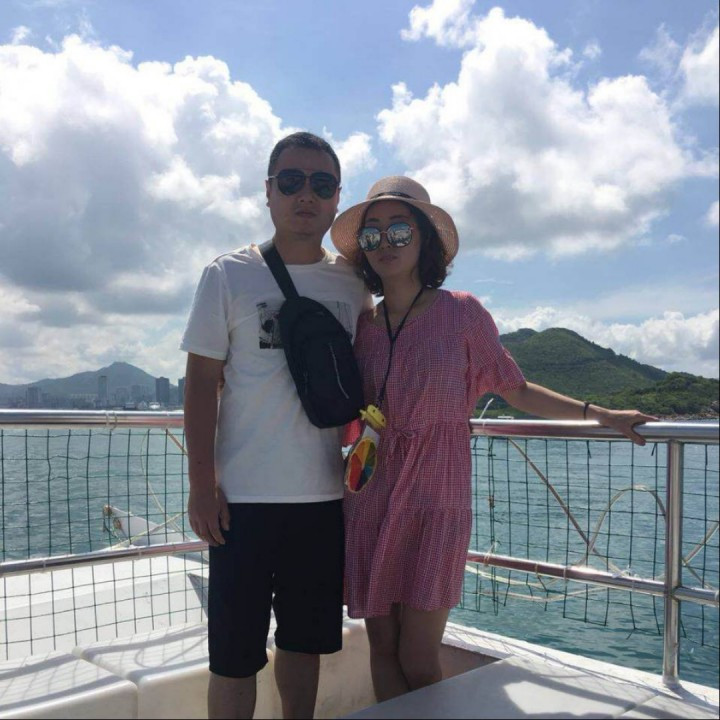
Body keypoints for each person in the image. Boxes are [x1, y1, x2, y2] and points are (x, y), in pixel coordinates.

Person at [330, 176, 657, 702]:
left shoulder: (461, 313)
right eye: (372, 234)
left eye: (399, 229)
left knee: (418, 656)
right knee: (382, 646)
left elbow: (515, 388)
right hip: (371, 495)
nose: (385, 242)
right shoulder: (363, 325)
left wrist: (598, 414)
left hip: (436, 499)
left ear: (424, 238)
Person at [180, 132, 370, 719]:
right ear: (268, 192)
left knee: (304, 644)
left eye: (321, 183)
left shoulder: (352, 283)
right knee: (233, 656)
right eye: (291, 181)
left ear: (337, 198)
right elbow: (200, 383)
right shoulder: (228, 275)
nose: (305, 195)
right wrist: (202, 485)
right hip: (242, 501)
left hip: (322, 497)